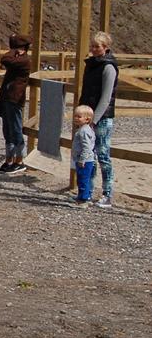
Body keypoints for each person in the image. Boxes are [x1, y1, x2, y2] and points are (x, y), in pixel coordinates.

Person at [77, 31, 118, 208]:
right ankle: (87, 191)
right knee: (88, 155)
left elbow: (106, 97)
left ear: (105, 47)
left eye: (97, 46)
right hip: (88, 116)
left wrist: (94, 119)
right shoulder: (91, 65)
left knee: (103, 155)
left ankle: (107, 194)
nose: (94, 49)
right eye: (92, 46)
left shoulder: (108, 67)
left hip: (101, 118)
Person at [0, 33, 31, 175]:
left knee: (15, 130)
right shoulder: (19, 59)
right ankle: (9, 160)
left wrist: (13, 52)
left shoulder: (23, 61)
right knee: (8, 130)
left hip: (15, 99)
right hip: (8, 98)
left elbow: (5, 59)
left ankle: (19, 160)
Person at [71, 105, 97, 208]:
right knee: (86, 179)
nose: (76, 118)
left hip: (84, 161)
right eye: (75, 116)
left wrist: (82, 159)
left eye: (79, 116)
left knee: (83, 180)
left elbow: (87, 147)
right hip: (88, 159)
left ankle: (83, 200)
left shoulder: (83, 131)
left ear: (87, 119)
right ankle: (85, 196)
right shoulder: (87, 129)